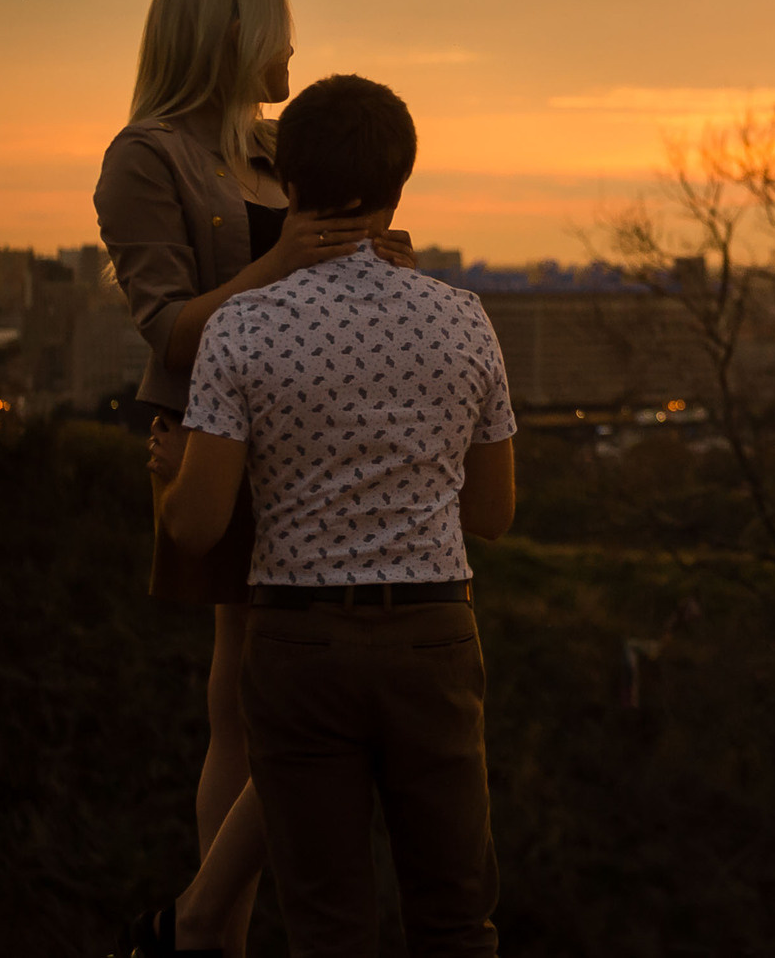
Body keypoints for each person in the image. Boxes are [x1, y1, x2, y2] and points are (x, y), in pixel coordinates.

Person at [153, 73, 516, 957]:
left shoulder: (242, 328)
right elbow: (495, 513)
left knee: (327, 926)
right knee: (455, 919)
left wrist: (169, 474)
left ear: (288, 182)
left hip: (300, 644)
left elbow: (196, 528)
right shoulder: (465, 321)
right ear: (399, 184)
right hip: (433, 636)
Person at [95, 0, 412, 956]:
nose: (291, 50)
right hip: (224, 443)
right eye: (277, 29)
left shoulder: (283, 145)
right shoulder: (146, 159)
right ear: (230, 37)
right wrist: (278, 263)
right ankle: (212, 933)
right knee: (247, 692)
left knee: (288, 693)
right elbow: (167, 329)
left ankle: (197, 926)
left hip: (326, 438)